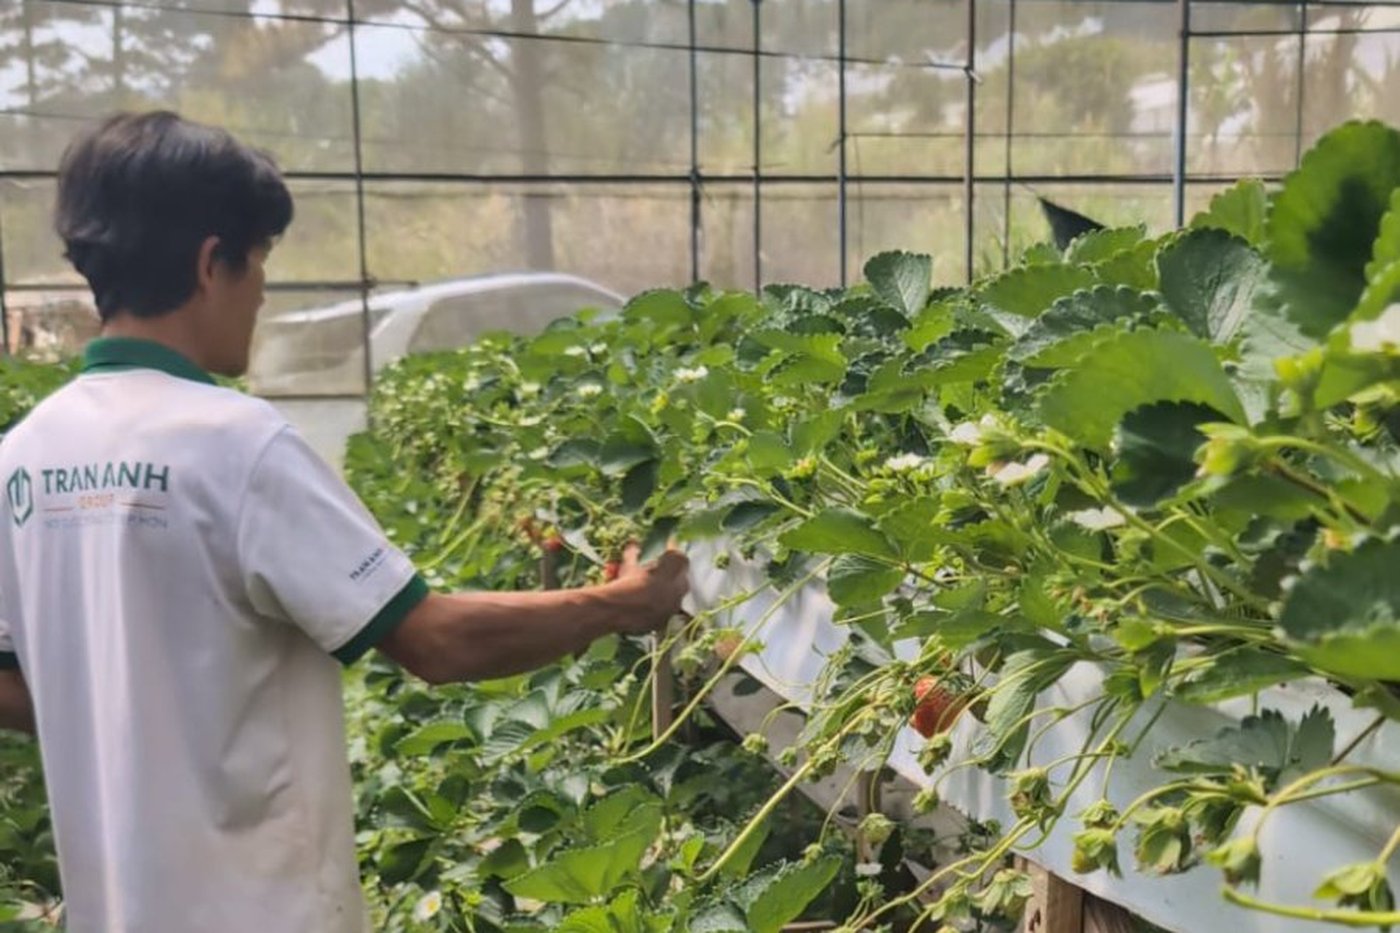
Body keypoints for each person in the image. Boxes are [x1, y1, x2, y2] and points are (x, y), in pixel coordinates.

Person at [0, 111, 689, 933]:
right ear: (210, 262)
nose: (262, 291)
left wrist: (127, 707)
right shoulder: (236, 445)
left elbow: (11, 680)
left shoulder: (24, 455)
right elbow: (434, 639)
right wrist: (622, 605)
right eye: (258, 262)